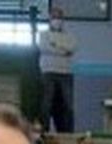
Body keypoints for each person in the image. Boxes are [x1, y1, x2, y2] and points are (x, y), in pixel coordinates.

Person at [39, 6, 77, 134]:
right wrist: (63, 50)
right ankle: (44, 131)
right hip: (48, 71)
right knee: (46, 104)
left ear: (63, 19)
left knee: (68, 106)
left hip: (66, 72)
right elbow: (44, 48)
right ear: (50, 19)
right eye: (54, 17)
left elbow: (72, 48)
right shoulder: (43, 35)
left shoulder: (70, 36)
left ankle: (68, 133)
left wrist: (54, 45)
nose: (57, 20)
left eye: (59, 17)